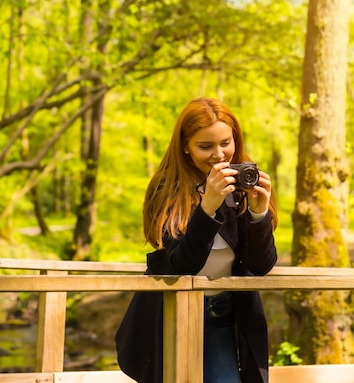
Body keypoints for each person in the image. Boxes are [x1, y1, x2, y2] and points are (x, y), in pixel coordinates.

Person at [115, 97, 279, 383]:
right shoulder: (167, 188)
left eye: (226, 143)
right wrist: (207, 208)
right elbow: (182, 264)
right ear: (185, 146)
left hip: (224, 312)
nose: (219, 154)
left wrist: (259, 213)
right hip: (169, 311)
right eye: (206, 146)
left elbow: (260, 265)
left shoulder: (241, 184)